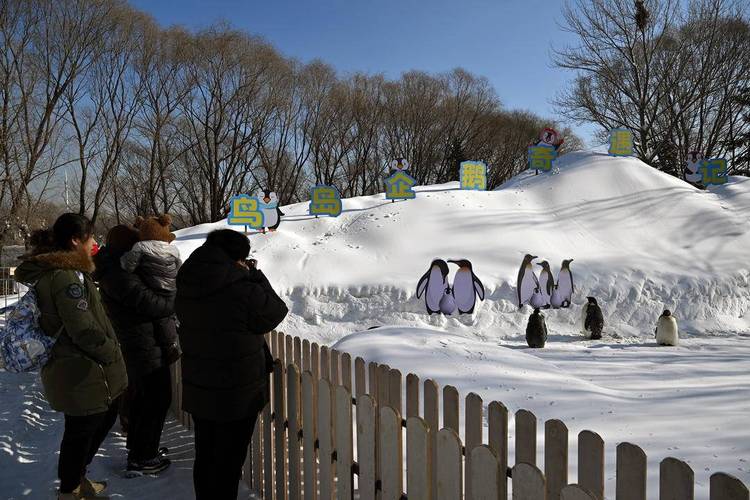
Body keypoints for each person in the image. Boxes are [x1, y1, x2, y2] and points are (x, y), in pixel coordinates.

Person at [14, 213, 127, 500]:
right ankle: (69, 490)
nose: (93, 243)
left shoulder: (70, 271)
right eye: (90, 238)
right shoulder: (65, 277)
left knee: (92, 423)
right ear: (76, 240)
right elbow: (82, 328)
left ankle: (76, 481)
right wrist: (112, 351)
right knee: (81, 431)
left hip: (80, 368)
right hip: (79, 369)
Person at [176, 229, 288, 500]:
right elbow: (275, 312)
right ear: (237, 257)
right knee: (228, 462)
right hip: (237, 391)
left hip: (200, 385)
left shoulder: (188, 281)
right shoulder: (242, 288)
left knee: (205, 455)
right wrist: (255, 274)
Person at [93, 224, 177, 475]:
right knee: (156, 400)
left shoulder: (115, 269)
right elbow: (153, 304)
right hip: (141, 346)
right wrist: (174, 297)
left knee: (145, 400)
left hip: (141, 344)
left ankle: (142, 449)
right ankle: (143, 457)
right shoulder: (118, 275)